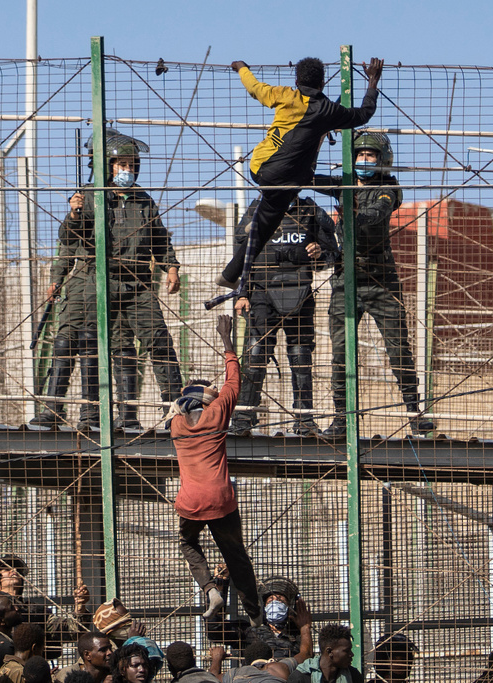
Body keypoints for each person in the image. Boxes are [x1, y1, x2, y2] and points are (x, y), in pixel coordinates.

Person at [31, 130, 183, 432]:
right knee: (75, 341)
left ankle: (168, 412)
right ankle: (57, 411)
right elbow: (69, 241)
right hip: (93, 280)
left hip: (136, 284)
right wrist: (73, 216)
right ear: (107, 166)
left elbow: (159, 239)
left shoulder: (143, 201)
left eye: (131, 164)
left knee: (156, 343)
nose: (126, 170)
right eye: (120, 164)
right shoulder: (91, 196)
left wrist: (171, 267)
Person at [208, 57, 384, 309]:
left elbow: (254, 87)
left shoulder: (284, 95)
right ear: (323, 82)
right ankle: (235, 267)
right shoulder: (329, 111)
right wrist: (372, 82)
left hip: (260, 169)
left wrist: (241, 67)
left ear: (296, 81)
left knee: (268, 221)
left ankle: (230, 274)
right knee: (269, 217)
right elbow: (364, 114)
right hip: (292, 178)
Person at [312, 130, 433, 438]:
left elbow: (377, 213)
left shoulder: (387, 188)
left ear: (382, 161)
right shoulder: (343, 185)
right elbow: (311, 178)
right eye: (360, 156)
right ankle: (341, 418)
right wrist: (314, 141)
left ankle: (414, 412)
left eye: (371, 156)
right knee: (340, 352)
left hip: (381, 280)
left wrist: (355, 216)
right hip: (345, 279)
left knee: (398, 349)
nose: (364, 161)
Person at [167, 315, 261, 624]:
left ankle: (209, 589)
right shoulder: (218, 414)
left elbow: (178, 406)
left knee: (187, 543)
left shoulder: (176, 426)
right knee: (236, 557)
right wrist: (226, 338)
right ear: (209, 400)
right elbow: (234, 381)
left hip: (190, 501)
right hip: (221, 499)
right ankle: (256, 616)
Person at [230, 196, 339, 436]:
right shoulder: (257, 209)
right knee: (256, 355)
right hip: (261, 295)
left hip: (300, 294)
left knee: (301, 357)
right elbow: (242, 255)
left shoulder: (310, 211)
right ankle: (243, 417)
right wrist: (242, 293)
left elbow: (333, 255)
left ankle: (304, 419)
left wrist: (319, 253)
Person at [0, 518, 90, 657]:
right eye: (7, 568)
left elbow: (70, 632)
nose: (13, 570)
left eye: (17, 569)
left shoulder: (34, 611)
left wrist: (80, 607)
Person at [209, 576, 312, 662]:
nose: (275, 603)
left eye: (280, 600)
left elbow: (307, 659)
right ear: (264, 607)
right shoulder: (249, 632)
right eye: (271, 600)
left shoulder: (297, 636)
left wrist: (304, 628)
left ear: (288, 607)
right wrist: (221, 590)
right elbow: (214, 630)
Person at [288, 624, 363, 683]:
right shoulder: (301, 677)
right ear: (330, 652)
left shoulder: (353, 676)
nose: (351, 654)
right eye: (346, 651)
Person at [218, 641, 294, 683]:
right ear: (271, 657)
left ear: (246, 662)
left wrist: (217, 658)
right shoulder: (277, 669)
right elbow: (303, 655)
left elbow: (213, 677)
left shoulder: (235, 674)